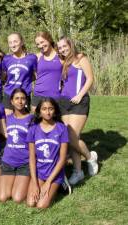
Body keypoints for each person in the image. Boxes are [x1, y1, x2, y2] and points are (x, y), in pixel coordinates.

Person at [57, 37, 98, 185]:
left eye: (64, 46)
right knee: (70, 138)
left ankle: (90, 157)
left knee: (71, 136)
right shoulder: (63, 63)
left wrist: (80, 95)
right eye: (59, 48)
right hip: (64, 103)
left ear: (70, 45)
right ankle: (78, 172)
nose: (62, 49)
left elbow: (90, 78)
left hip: (79, 102)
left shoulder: (81, 58)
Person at [26, 98, 68, 209]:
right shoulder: (33, 129)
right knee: (31, 203)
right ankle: (43, 186)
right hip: (40, 174)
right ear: (39, 111)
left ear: (55, 110)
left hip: (54, 175)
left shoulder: (62, 128)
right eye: (44, 109)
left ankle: (61, 184)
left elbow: (63, 158)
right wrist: (35, 183)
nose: (48, 112)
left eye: (50, 109)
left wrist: (48, 182)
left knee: (41, 205)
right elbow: (32, 158)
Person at [0, 88, 33, 203]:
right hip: (8, 162)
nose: (20, 101)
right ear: (11, 101)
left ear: (26, 101)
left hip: (24, 163)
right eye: (17, 98)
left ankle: (31, 179)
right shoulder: (8, 119)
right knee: (2, 197)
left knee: (17, 198)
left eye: (23, 98)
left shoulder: (32, 119)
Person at [2, 32, 37, 115]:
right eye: (10, 42)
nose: (13, 45)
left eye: (15, 41)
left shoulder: (31, 58)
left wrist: (26, 80)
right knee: (9, 122)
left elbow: (36, 76)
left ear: (22, 42)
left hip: (24, 95)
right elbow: (4, 77)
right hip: (9, 94)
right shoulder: (6, 59)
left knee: (24, 122)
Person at [31, 31, 63, 112]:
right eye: (38, 44)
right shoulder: (37, 57)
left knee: (55, 123)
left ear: (49, 39)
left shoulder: (60, 56)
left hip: (55, 96)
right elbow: (33, 75)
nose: (40, 45)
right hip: (38, 96)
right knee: (37, 123)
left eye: (42, 42)